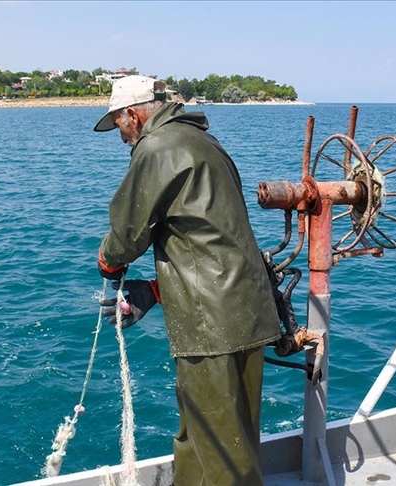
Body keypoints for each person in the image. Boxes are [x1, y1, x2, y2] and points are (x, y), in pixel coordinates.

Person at [93, 75, 280, 486]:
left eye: (120, 126)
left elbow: (128, 231)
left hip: (211, 324)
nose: (122, 137)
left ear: (132, 115)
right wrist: (157, 291)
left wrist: (107, 261)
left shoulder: (156, 146)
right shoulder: (201, 141)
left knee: (223, 452)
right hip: (245, 308)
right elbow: (209, 237)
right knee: (210, 432)